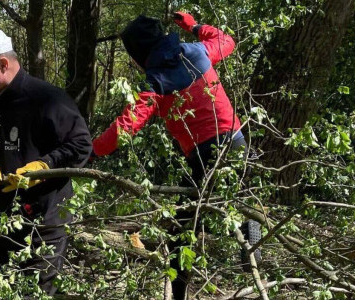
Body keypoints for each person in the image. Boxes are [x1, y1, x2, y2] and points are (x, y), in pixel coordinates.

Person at [92, 13, 259, 299]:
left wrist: (92, 151)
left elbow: (127, 125)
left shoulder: (156, 81)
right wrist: (192, 25)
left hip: (205, 156)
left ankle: (180, 294)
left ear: (137, 55)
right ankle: (248, 229)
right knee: (226, 205)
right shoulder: (198, 51)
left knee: (182, 233)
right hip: (236, 142)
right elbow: (226, 41)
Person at [0, 24, 92, 296]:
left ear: (2, 63)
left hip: (40, 226)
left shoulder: (48, 99)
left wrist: (45, 166)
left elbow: (81, 143)